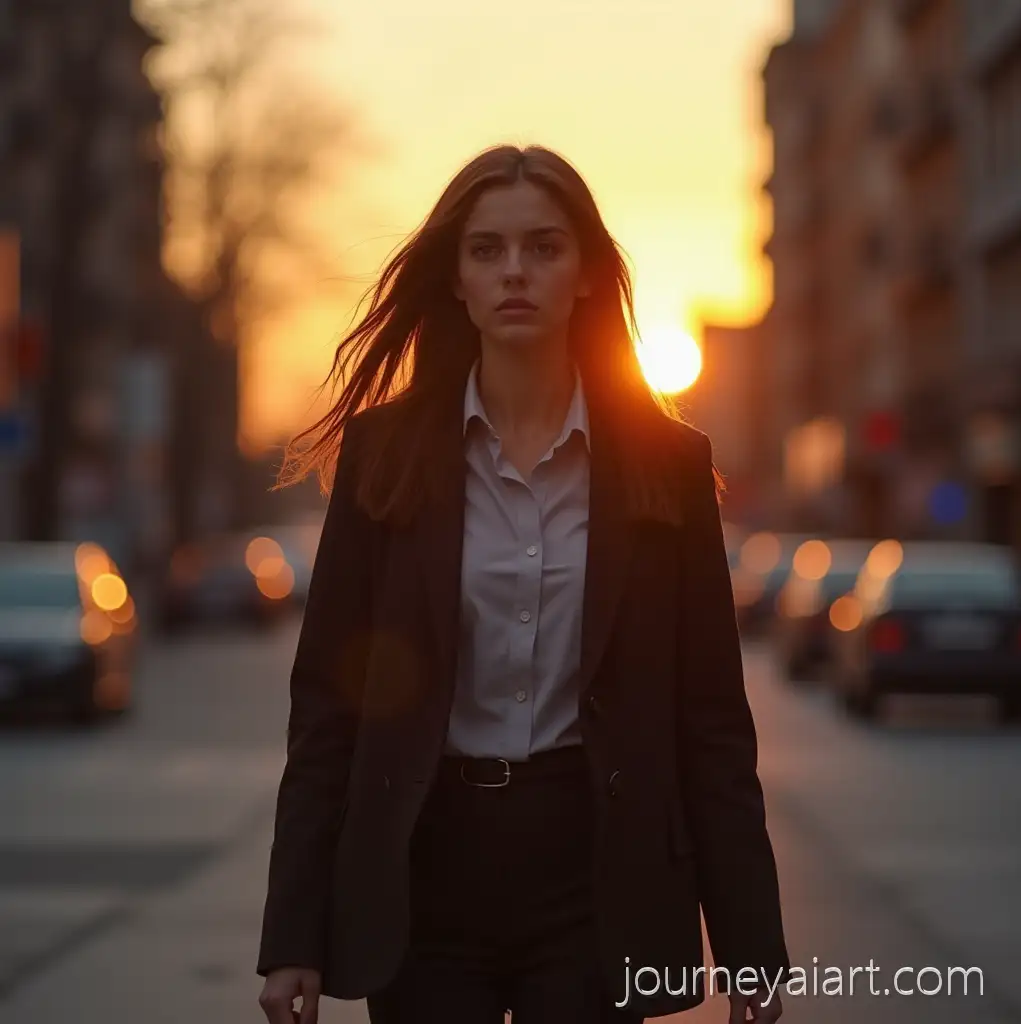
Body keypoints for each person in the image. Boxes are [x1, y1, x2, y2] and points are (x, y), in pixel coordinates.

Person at [256, 144, 789, 1024]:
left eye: (544, 248)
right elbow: (326, 716)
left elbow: (712, 726)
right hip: (424, 878)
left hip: (595, 881)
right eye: (487, 250)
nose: (515, 272)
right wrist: (292, 942)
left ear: (584, 273)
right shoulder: (384, 459)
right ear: (456, 278)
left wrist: (752, 953)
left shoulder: (668, 465)